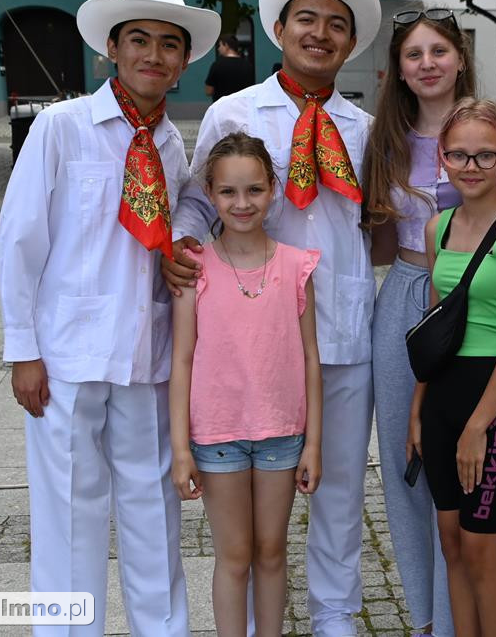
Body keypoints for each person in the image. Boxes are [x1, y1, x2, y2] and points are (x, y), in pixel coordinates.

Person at [0, 0, 220, 636]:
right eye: (141, 40)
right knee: (70, 516)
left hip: (147, 357)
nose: (155, 54)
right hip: (66, 356)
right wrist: (23, 350)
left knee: (155, 516)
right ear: (112, 50)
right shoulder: (64, 127)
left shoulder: (172, 143)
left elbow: (193, 202)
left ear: (183, 60)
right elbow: (18, 238)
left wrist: (189, 233)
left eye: (170, 44)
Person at [164, 0, 381, 636]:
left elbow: (399, 206)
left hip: (340, 325)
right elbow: (201, 200)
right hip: (253, 338)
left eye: (336, 24)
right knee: (259, 522)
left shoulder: (365, 126)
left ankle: (334, 617)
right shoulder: (237, 112)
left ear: (350, 44)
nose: (320, 33)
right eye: (307, 19)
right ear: (280, 29)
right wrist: (182, 246)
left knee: (339, 485)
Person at [170, 132, 323, 636]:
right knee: (234, 556)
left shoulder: (296, 266)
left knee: (272, 551)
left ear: (273, 189)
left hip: (282, 435)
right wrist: (180, 449)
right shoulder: (196, 270)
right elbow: (184, 360)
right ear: (211, 193)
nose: (242, 203)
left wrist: (313, 445)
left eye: (254, 190)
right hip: (217, 439)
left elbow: (309, 359)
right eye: (229, 192)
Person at [407, 98, 496, 637]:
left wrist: (476, 426)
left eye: (485, 156)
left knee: (482, 548)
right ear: (442, 158)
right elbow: (433, 329)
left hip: (494, 403)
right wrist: (419, 410)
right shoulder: (436, 228)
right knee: (452, 546)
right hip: (442, 397)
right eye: (459, 155)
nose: (470, 166)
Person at [363, 6, 474, 637]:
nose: (427, 64)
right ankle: (427, 616)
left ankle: (466, 608)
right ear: (398, 70)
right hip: (403, 293)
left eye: (438, 51)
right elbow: (374, 237)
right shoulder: (384, 139)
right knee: (406, 462)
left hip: (471, 300)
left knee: (461, 462)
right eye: (414, 54)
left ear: (459, 57)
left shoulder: (492, 131)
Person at [205, 32, 254, 101]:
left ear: (226, 46)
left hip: (222, 108)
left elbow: (208, 91)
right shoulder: (247, 65)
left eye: (220, 45)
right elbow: (251, 89)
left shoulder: (217, 65)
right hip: (242, 107)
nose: (218, 49)